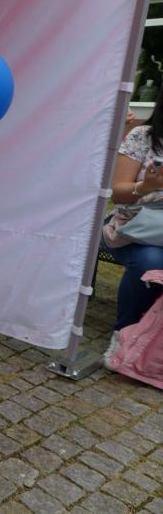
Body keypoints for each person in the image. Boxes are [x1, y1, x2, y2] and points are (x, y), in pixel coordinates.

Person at [102, 90, 163, 361]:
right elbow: (117, 192)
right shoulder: (143, 136)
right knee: (151, 261)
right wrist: (145, 186)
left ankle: (153, 347)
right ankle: (124, 336)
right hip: (129, 228)